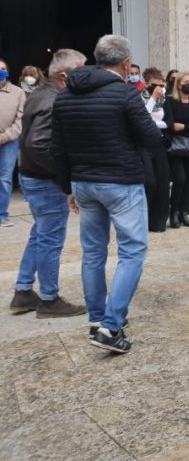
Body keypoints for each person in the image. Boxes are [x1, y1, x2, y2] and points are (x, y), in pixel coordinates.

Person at [52, 35, 162, 353]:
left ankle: (97, 319)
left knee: (93, 253)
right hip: (121, 181)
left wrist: (67, 187)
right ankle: (111, 327)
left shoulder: (65, 95)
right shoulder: (125, 93)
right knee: (132, 252)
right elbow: (152, 138)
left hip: (84, 182)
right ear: (126, 63)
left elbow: (58, 148)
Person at [9, 49, 88, 318]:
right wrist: (64, 178)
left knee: (40, 235)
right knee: (50, 240)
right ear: (64, 76)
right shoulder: (52, 99)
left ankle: (23, 291)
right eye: (81, 70)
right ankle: (49, 299)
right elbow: (38, 144)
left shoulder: (42, 93)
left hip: (34, 177)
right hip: (44, 181)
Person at [164, 71, 189, 230]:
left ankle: (184, 213)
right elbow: (171, 124)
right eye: (185, 82)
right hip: (175, 147)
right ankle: (174, 212)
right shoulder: (170, 101)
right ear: (178, 84)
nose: (188, 84)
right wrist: (185, 127)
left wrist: (184, 126)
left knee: (188, 181)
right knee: (179, 179)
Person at [141, 68, 171, 232]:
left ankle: (158, 222)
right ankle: (143, 220)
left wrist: (153, 124)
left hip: (160, 143)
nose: (159, 88)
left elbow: (170, 122)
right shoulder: (139, 98)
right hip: (144, 145)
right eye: (154, 85)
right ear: (146, 84)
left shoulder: (166, 101)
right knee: (149, 182)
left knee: (162, 182)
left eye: (161, 85)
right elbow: (142, 117)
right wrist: (153, 98)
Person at [0, 58, 25, 227]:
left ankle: (2, 214)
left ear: (7, 72)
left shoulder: (18, 92)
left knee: (4, 178)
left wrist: (4, 137)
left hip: (9, 142)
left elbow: (21, 120)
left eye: (2, 69)